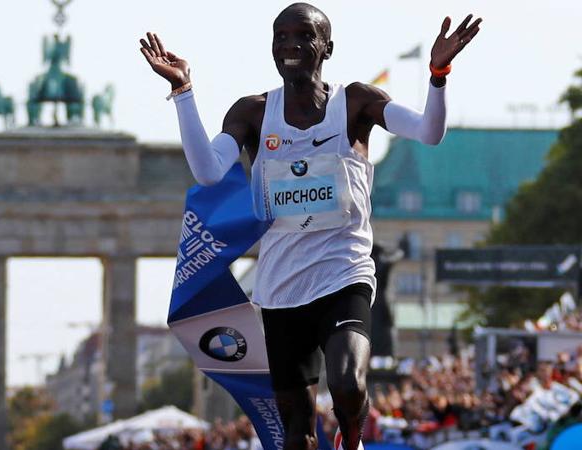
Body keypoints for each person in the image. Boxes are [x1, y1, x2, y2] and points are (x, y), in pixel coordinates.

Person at [140, 4, 481, 450]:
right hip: (281, 286)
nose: (291, 46)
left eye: (304, 36)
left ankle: (352, 440)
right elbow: (208, 170)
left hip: (344, 272)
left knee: (347, 384)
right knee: (297, 430)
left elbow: (429, 132)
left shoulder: (355, 102)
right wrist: (183, 91)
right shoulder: (254, 113)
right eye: (281, 38)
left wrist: (438, 75)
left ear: (327, 48)